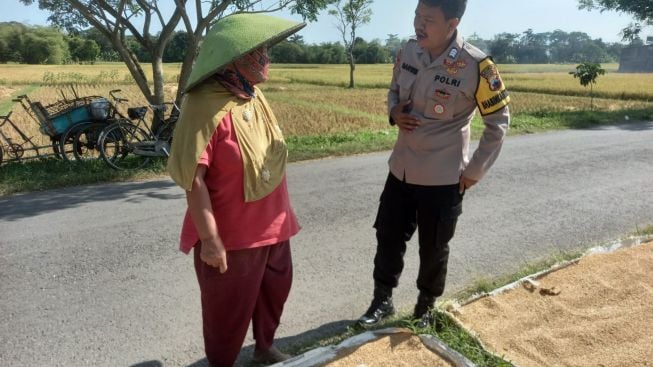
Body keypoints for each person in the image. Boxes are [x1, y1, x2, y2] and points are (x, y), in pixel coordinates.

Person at [357, 0, 510, 328]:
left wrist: (474, 172)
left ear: (452, 23)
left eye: (428, 19)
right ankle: (381, 301)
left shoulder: (477, 66)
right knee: (388, 236)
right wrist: (394, 111)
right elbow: (394, 91)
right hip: (401, 168)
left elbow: (499, 122)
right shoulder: (408, 51)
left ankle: (424, 307)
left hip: (444, 176)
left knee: (434, 246)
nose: (418, 24)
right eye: (416, 16)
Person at [167, 14, 305, 367]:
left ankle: (264, 347)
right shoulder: (203, 104)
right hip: (232, 236)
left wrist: (285, 215)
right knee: (226, 314)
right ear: (236, 59)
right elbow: (192, 179)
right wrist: (211, 240)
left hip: (273, 224)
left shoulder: (251, 94)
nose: (266, 59)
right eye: (259, 53)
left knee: (274, 294)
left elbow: (267, 159)